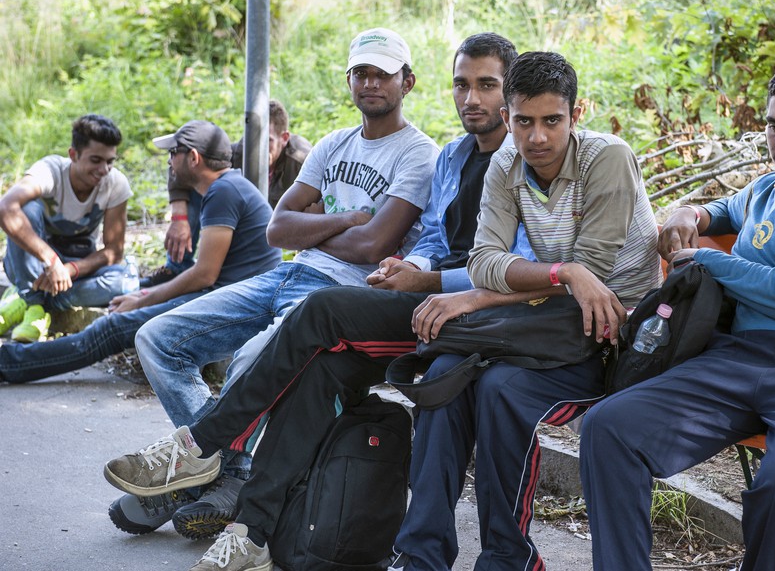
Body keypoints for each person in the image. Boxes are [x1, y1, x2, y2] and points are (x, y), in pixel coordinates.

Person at [103, 33, 531, 568]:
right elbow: (432, 242)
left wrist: (427, 281)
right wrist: (414, 265)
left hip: (476, 311)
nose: (471, 99)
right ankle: (253, 531)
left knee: (321, 310)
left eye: (486, 86)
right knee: (318, 369)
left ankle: (202, 445)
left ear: (510, 92)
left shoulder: (519, 160)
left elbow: (513, 261)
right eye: (463, 85)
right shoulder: (452, 157)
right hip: (415, 295)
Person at [579, 59, 775, 571]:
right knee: (608, 428)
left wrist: (709, 259)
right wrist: (690, 213)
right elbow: (725, 211)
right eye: (774, 126)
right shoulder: (769, 187)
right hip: (740, 362)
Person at [385, 51, 662, 571]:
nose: (536, 137)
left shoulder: (608, 157)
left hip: (609, 334)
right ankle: (420, 554)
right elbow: (485, 259)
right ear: (507, 116)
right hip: (539, 322)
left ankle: (507, 557)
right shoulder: (506, 165)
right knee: (443, 376)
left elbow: (592, 273)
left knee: (498, 390)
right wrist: (563, 274)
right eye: (523, 121)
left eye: (552, 121)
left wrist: (483, 296)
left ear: (576, 116)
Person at [0, 120, 280, 387]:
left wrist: (143, 300)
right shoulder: (227, 186)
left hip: (236, 305)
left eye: (173, 153)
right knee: (129, 300)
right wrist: (143, 295)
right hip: (227, 295)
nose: (169, 161)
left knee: (110, 329)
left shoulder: (224, 192)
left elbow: (205, 274)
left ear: (193, 157)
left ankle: (7, 363)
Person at [144, 100, 312, 286]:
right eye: (254, 140)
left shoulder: (301, 161)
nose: (259, 149)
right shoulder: (238, 152)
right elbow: (183, 167)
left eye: (268, 141)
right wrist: (179, 218)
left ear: (284, 137)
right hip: (234, 221)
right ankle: (176, 268)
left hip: (273, 232)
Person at [0, 114, 131, 313]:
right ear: (73, 155)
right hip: (32, 262)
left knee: (125, 282)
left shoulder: (115, 183)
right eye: (96, 160)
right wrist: (51, 260)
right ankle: (33, 298)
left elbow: (114, 251)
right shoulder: (50, 171)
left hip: (75, 266)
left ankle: (31, 301)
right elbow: (5, 208)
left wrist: (70, 270)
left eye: (110, 161)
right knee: (26, 209)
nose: (104, 169)